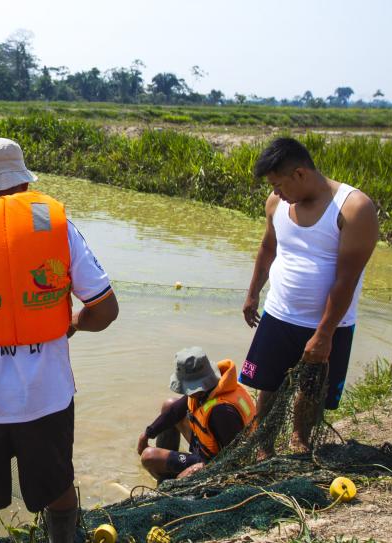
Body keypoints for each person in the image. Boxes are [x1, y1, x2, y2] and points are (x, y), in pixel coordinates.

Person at [0, 138, 119, 543]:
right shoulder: (59, 227)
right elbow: (105, 310)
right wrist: (71, 325)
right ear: (24, 184)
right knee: (58, 488)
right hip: (46, 397)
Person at [241, 137, 379, 452]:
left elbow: (347, 279)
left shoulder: (354, 208)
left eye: (279, 184)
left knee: (311, 388)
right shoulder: (276, 204)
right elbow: (268, 249)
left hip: (329, 323)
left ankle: (299, 441)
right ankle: (264, 446)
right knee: (267, 385)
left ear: (300, 174)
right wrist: (252, 295)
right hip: (278, 314)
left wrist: (324, 333)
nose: (275, 192)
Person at [136, 347, 255, 481]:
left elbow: (235, 459)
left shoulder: (222, 411)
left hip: (215, 461)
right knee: (169, 404)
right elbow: (175, 410)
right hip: (207, 445)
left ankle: (169, 484)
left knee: (149, 456)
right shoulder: (211, 387)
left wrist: (194, 471)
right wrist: (147, 434)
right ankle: (167, 463)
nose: (187, 392)